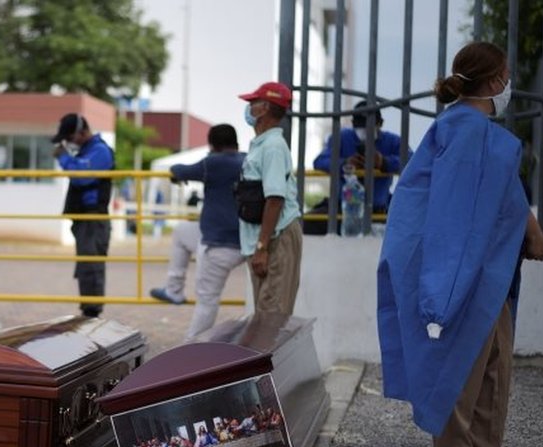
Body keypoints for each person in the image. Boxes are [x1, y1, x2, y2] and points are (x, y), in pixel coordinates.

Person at [377, 42, 543, 447]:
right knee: (465, 358)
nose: (509, 82)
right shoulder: (470, 133)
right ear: (494, 82)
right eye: (506, 74)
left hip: (480, 266)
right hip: (464, 267)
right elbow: (457, 213)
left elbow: (503, 192)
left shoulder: (467, 130)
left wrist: (529, 232)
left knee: (491, 359)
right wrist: (446, 283)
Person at [149, 124, 246, 341]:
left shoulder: (213, 163)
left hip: (219, 243)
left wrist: (177, 174)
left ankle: (191, 351)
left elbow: (179, 170)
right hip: (246, 240)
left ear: (212, 146)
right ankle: (173, 290)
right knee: (182, 231)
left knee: (207, 301)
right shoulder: (248, 159)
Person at [236, 81, 304, 316]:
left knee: (271, 316)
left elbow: (275, 199)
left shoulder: (273, 147)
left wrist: (262, 248)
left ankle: (270, 355)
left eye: (252, 103)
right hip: (267, 238)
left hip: (275, 238)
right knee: (265, 313)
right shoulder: (263, 145)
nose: (249, 108)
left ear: (264, 108)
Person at [51, 113, 115, 318]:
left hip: (93, 219)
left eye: (69, 138)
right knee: (86, 266)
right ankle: (88, 310)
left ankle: (92, 313)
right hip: (85, 220)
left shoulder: (100, 151)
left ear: (81, 132)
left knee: (91, 266)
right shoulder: (87, 151)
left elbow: (81, 177)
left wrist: (63, 157)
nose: (68, 143)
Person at [312, 100, 409, 213]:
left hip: (378, 210)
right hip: (343, 208)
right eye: (361, 128)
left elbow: (412, 161)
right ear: (353, 124)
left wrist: (384, 162)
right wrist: (345, 163)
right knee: (308, 223)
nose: (365, 133)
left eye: (369, 128)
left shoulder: (392, 141)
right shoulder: (341, 138)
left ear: (380, 123)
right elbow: (319, 161)